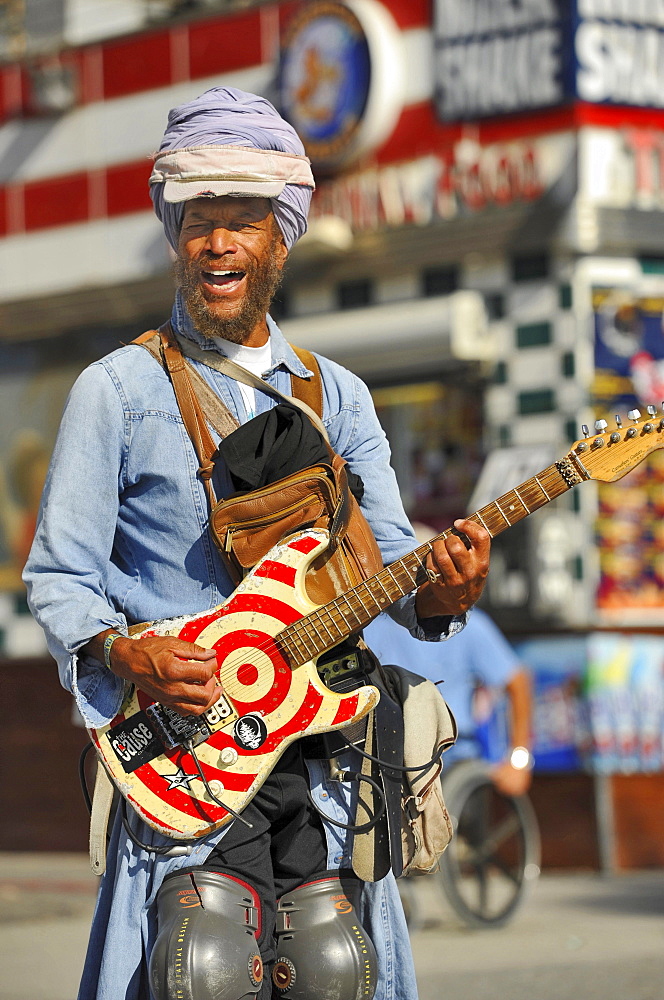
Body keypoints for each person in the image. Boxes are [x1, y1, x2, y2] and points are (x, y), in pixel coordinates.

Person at [23, 87, 491, 1000]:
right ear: (174, 232)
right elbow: (60, 575)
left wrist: (444, 590)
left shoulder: (340, 397)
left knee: (331, 969)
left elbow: (392, 561)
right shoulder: (112, 391)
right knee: (206, 967)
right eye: (201, 219)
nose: (219, 243)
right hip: (189, 756)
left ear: (281, 237)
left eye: (244, 221)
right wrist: (126, 649)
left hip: (325, 759)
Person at [364, 605, 533, 797]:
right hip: (390, 755)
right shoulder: (371, 627)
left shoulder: (470, 625)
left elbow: (518, 682)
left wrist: (519, 761)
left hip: (454, 759)